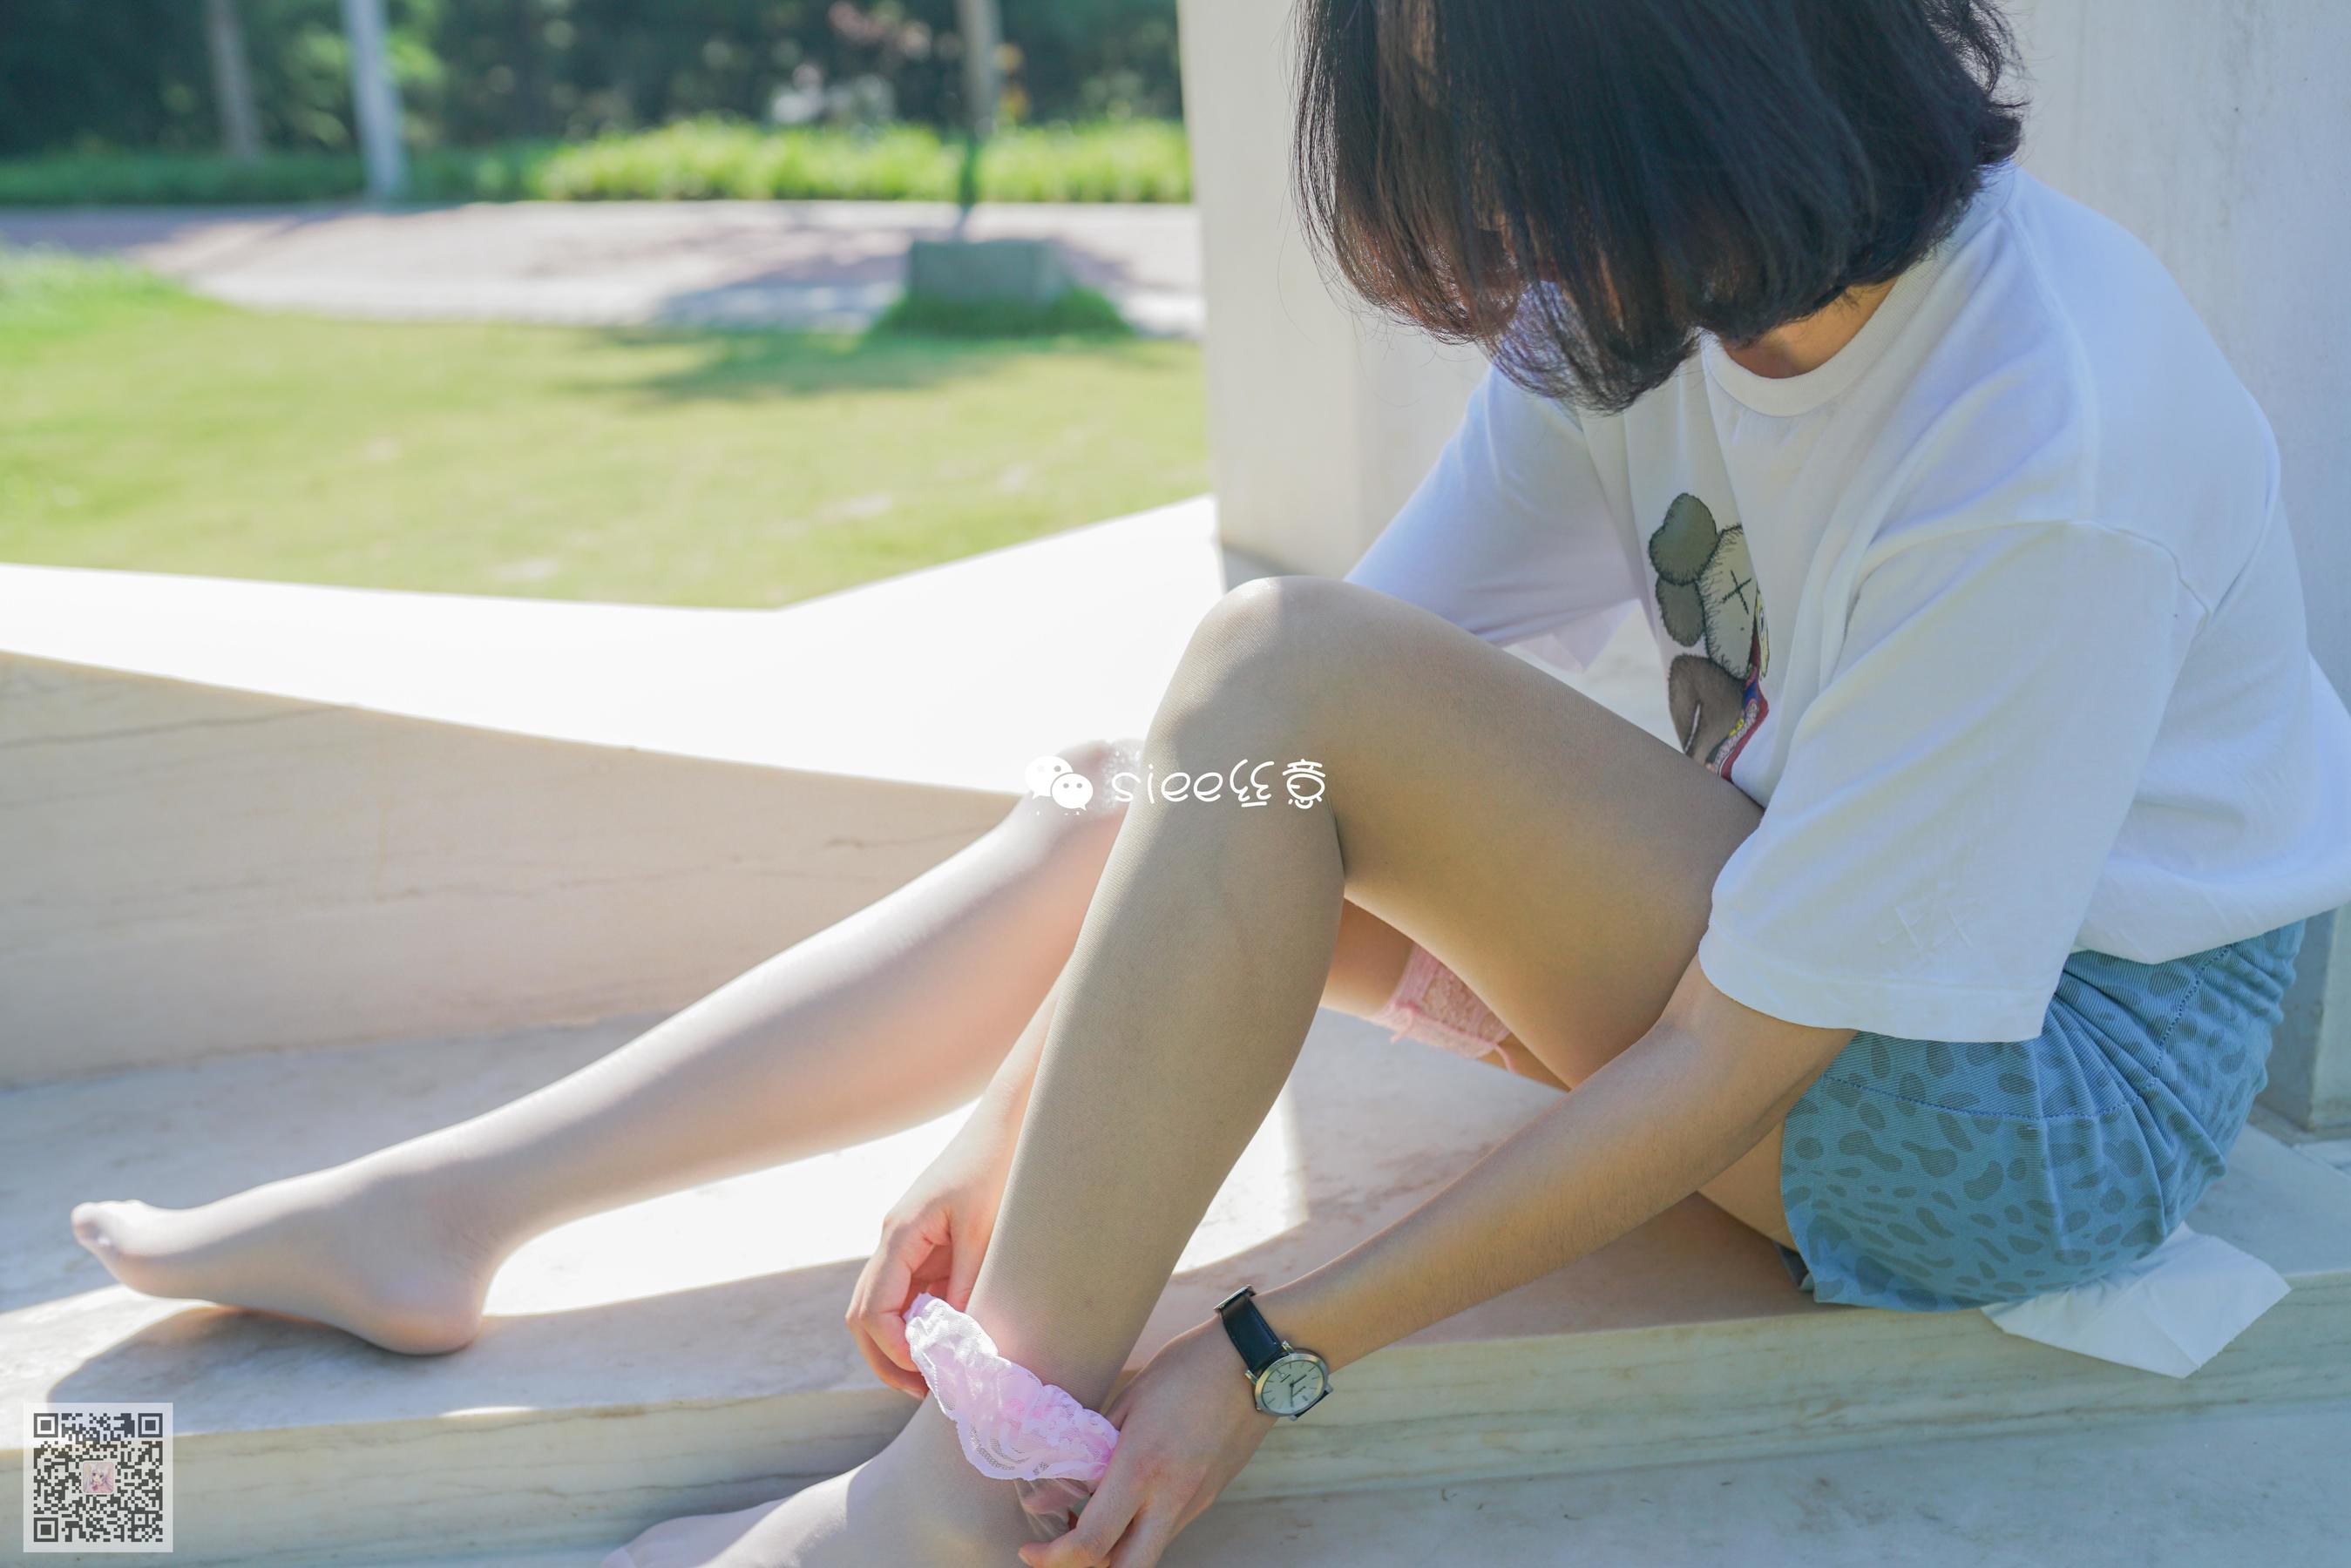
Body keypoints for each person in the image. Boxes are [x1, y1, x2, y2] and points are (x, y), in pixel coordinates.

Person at [69, 2, 2351, 1564]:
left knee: (1274, 683)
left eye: (1510, 174)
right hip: (1814, 942)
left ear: (1691, 106)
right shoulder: (1646, 298)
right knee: (1171, 753)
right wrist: (1016, 1122)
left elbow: (1729, 1053)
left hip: (2032, 1109)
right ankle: (455, 1208)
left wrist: (1270, 1352)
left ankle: (954, 1503)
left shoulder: (2039, 445)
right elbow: (1232, 771)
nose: (1491, 247)